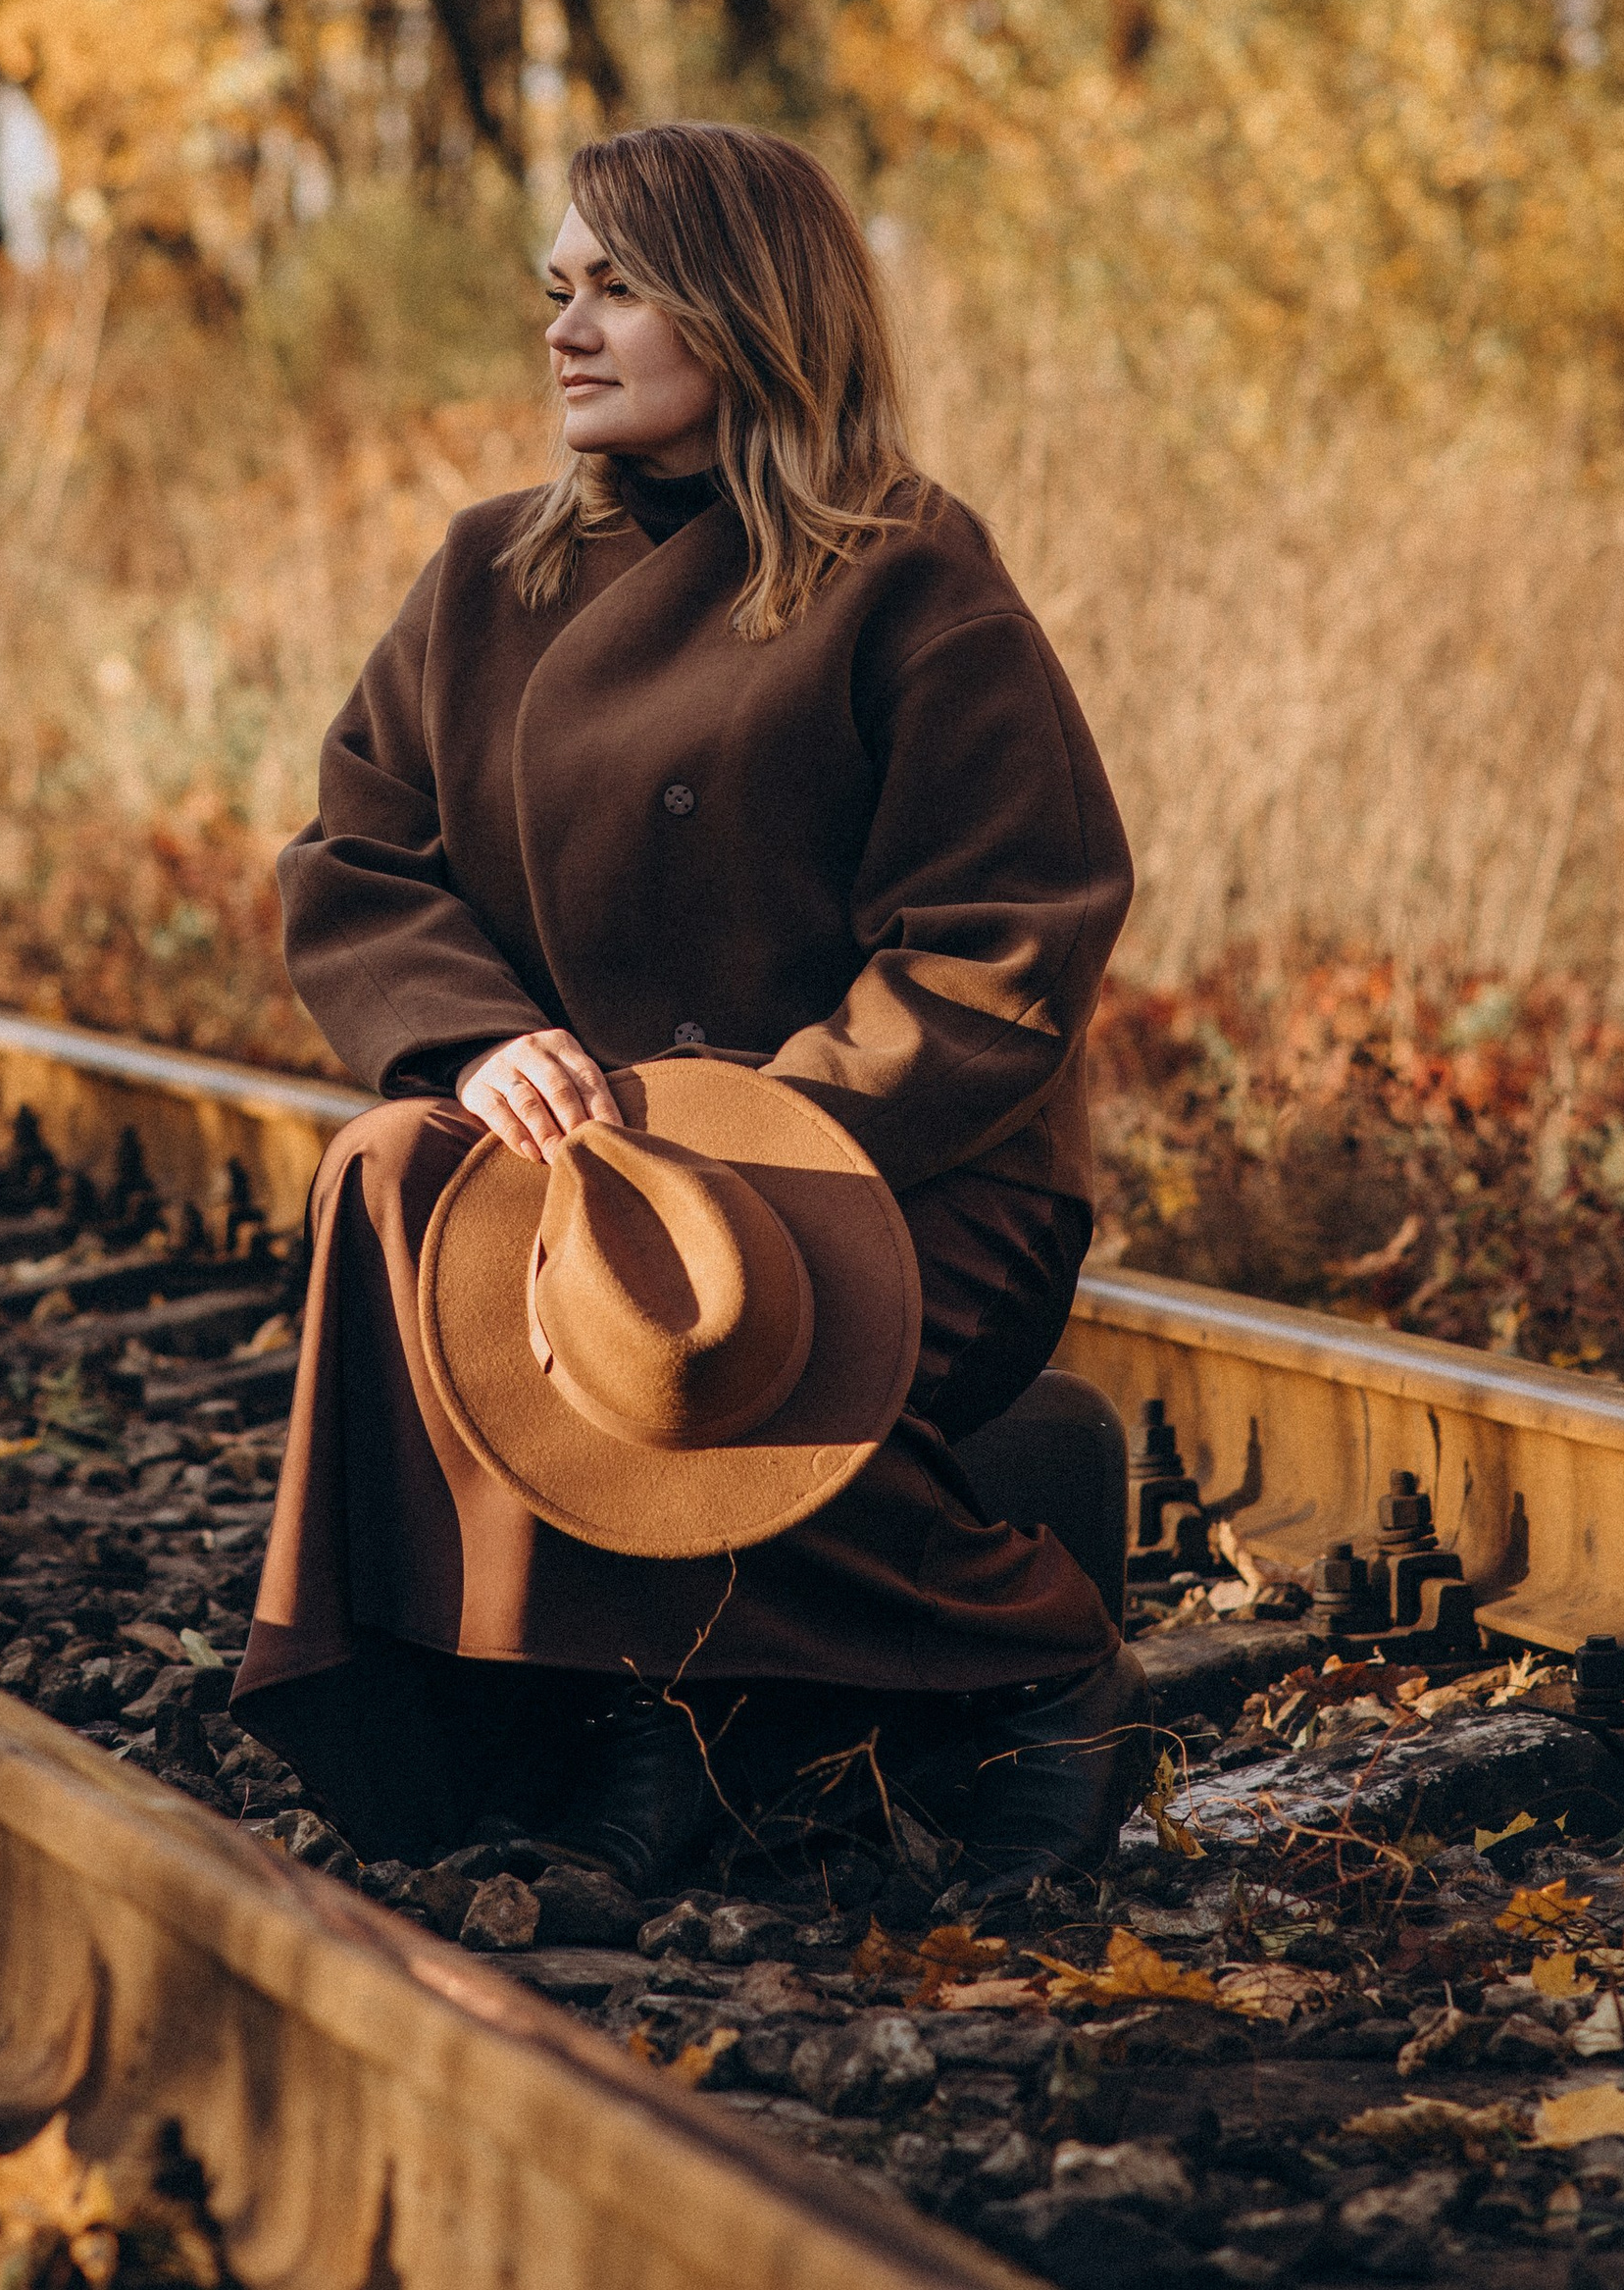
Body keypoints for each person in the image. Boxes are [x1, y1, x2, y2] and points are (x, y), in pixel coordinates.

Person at [229, 121, 1147, 1899]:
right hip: (592, 1152)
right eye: (557, 290)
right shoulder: (488, 573)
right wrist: (478, 1039)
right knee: (389, 1174)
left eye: (619, 290)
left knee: (662, 1299)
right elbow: (354, 856)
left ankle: (1037, 1670)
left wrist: (750, 1136)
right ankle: (608, 1712)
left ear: (748, 308)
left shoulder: (908, 570)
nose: (564, 330)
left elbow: (1005, 929)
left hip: (893, 1170)